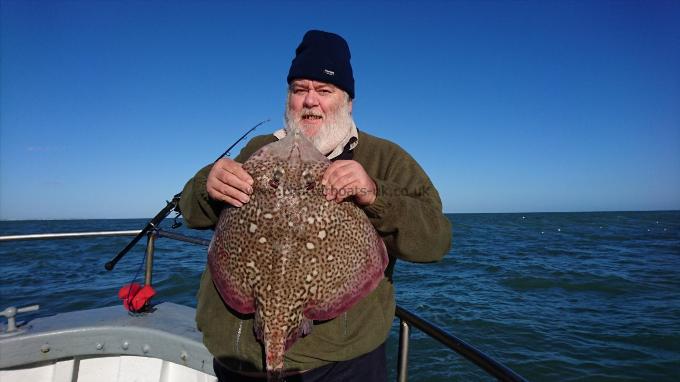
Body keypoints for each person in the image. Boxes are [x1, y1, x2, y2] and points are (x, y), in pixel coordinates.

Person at [179, 30, 452, 382]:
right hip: (237, 363)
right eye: (299, 90)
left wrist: (375, 194)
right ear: (288, 97)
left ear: (348, 101)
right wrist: (206, 185)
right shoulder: (257, 150)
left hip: (340, 367)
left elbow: (436, 239)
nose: (310, 101)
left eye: (324, 91)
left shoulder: (386, 159)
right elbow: (191, 211)